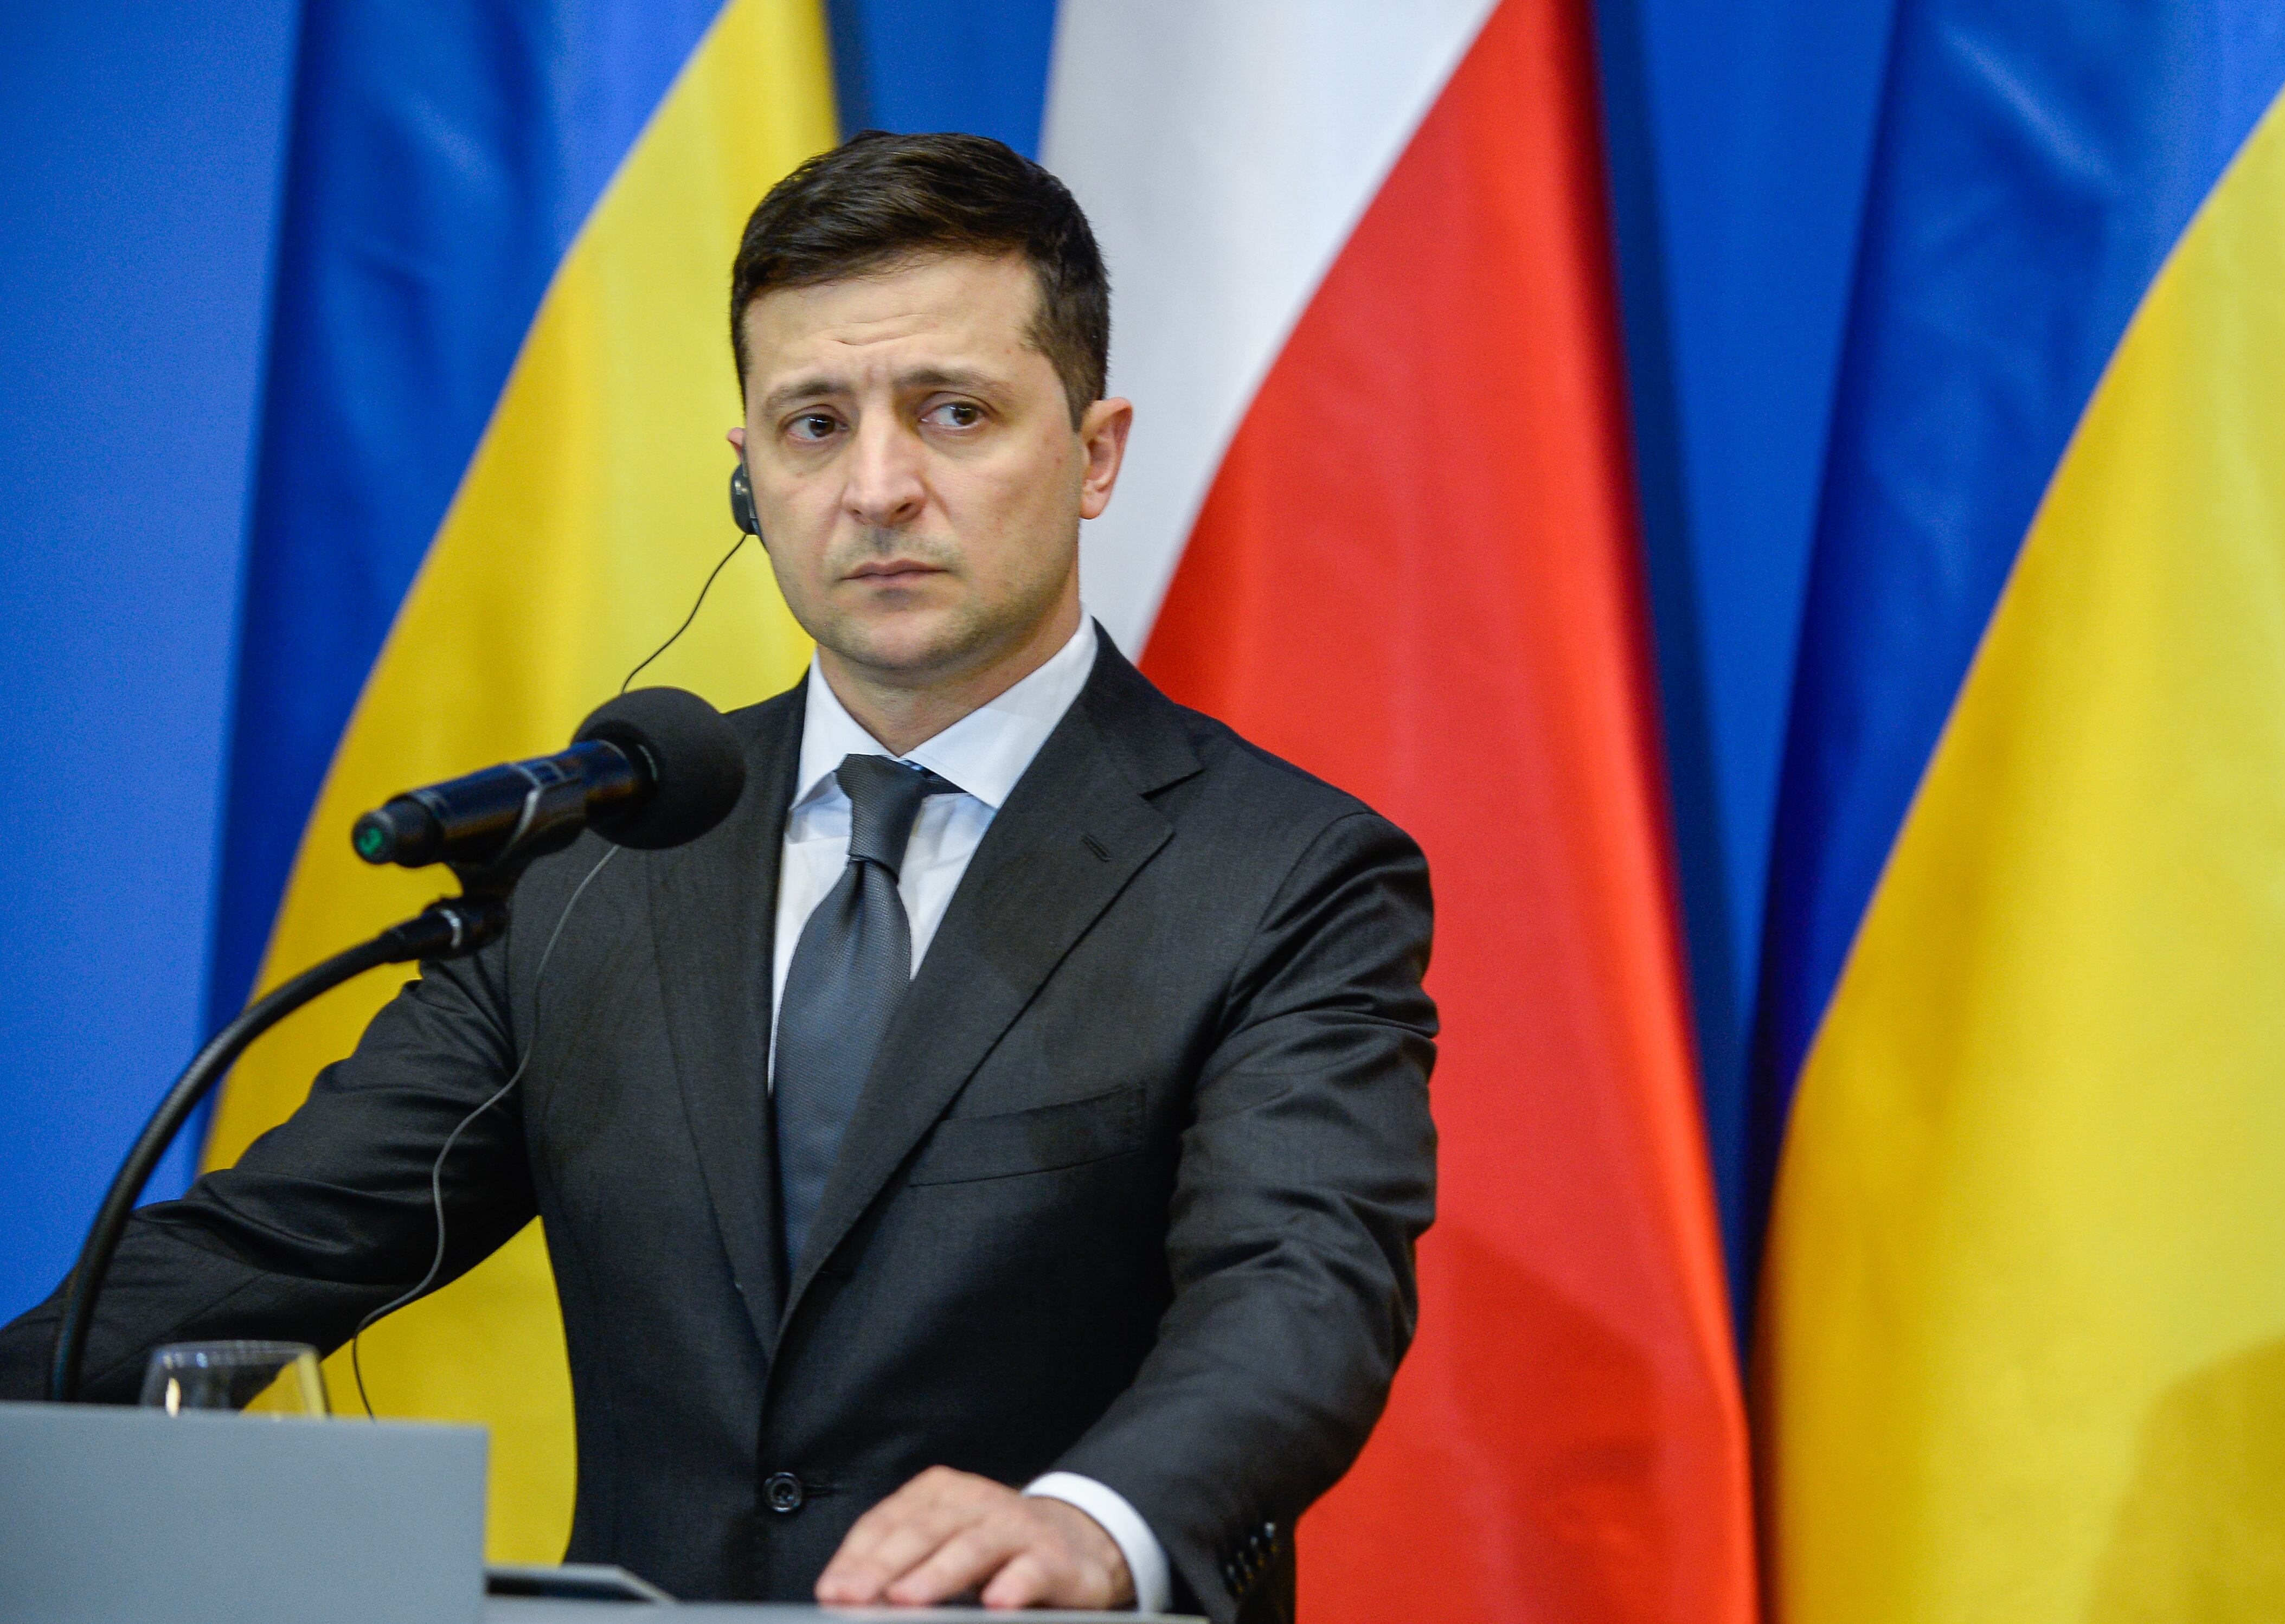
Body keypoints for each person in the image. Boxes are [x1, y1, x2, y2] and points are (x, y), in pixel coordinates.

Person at [0, 131, 1437, 1621]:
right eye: (815, 425)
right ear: (748, 476)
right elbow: (271, 1246)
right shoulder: (599, 850)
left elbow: (1301, 1286)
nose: (877, 488)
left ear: (1095, 453)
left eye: (952, 413)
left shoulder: (1284, 875)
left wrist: (1094, 1521)